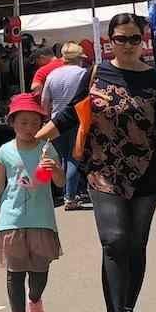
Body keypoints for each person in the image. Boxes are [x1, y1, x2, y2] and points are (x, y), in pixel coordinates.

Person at [39, 12, 156, 312]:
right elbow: (69, 112)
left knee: (135, 245)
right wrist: (37, 136)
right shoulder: (96, 73)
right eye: (121, 39)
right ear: (110, 41)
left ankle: (129, 311)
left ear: (143, 42)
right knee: (115, 240)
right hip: (102, 171)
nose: (128, 46)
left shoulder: (154, 80)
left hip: (145, 173)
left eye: (135, 39)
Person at [0, 94, 62, 312]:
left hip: (42, 220)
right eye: (23, 123)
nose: (29, 128)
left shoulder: (47, 148)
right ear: (13, 123)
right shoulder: (5, 151)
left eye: (34, 123)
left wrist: (55, 169)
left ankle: (35, 299)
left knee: (40, 270)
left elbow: (60, 184)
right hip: (11, 220)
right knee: (15, 271)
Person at [37, 43, 91, 210]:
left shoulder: (52, 75)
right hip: (77, 121)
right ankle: (70, 196)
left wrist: (47, 119)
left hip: (56, 122)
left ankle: (66, 193)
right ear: (78, 59)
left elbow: (44, 103)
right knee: (73, 159)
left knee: (62, 159)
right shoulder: (83, 74)